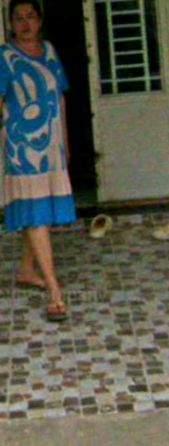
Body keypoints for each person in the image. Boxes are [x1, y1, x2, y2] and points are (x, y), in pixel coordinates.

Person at [0, 0, 76, 321]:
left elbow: (60, 97)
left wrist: (65, 142)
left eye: (30, 17)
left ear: (40, 20)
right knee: (37, 216)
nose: (25, 24)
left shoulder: (50, 51)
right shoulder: (4, 57)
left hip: (51, 148)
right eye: (18, 19)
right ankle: (54, 291)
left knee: (40, 210)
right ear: (11, 23)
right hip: (22, 150)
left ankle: (26, 269)